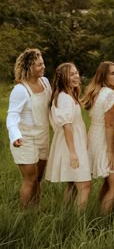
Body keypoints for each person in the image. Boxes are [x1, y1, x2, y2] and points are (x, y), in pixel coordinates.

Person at [81, 61, 114, 215]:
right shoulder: (111, 95)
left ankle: (100, 211)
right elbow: (109, 125)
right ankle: (102, 219)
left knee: (108, 181)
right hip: (105, 140)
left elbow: (112, 101)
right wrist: (110, 152)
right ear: (104, 76)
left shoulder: (99, 92)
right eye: (112, 73)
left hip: (95, 137)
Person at [6, 48, 51, 207]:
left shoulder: (45, 82)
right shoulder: (20, 90)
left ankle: (36, 210)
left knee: (38, 178)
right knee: (30, 179)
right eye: (39, 65)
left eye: (43, 63)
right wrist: (15, 135)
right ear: (28, 67)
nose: (43, 67)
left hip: (43, 136)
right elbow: (12, 116)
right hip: (25, 138)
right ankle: (24, 215)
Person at [45, 63, 91, 212]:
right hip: (71, 144)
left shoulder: (70, 94)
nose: (76, 76)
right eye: (71, 74)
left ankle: (65, 216)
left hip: (74, 141)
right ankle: (77, 223)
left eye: (76, 73)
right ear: (63, 78)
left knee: (72, 185)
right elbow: (66, 125)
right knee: (84, 185)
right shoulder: (64, 97)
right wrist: (73, 153)